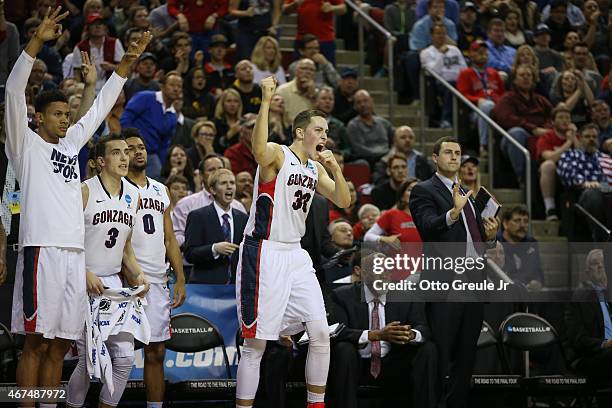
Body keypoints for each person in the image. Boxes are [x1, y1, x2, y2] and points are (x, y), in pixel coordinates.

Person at [5, 8, 150, 400]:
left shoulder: (70, 148)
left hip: (73, 256)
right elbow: (13, 90)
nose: (66, 120)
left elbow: (101, 105)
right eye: (57, 115)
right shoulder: (25, 145)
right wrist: (35, 43)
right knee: (35, 343)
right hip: (42, 251)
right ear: (38, 117)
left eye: (68, 114)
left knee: (58, 346)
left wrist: (126, 64)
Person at [235, 76, 350, 408]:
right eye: (319, 130)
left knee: (320, 332)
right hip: (264, 250)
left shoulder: (315, 167)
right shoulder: (278, 154)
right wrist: (266, 99)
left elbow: (343, 201)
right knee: (255, 345)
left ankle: (316, 404)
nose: (325, 136)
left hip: (296, 254)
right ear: (301, 132)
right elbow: (258, 149)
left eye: (327, 131)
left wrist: (335, 169)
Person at [409, 136, 499, 408]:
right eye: (447, 152)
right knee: (441, 355)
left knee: (466, 358)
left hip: (473, 283)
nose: (454, 157)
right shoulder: (423, 190)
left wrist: (490, 238)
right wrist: (452, 213)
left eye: (458, 153)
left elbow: (473, 242)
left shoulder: (467, 194)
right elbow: (427, 227)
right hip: (444, 284)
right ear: (435, 158)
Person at [65, 134, 149, 408]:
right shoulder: (84, 191)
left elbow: (125, 248)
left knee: (124, 359)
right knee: (89, 360)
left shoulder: (134, 195)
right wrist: (84, 271)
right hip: (82, 279)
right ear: (101, 161)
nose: (125, 157)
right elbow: (67, 240)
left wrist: (138, 275)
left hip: (114, 284)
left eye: (126, 152)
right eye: (117, 152)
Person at [125, 133, 188, 408]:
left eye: (141, 147)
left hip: (158, 280)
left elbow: (170, 238)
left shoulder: (160, 189)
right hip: (123, 279)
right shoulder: (116, 188)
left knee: (156, 352)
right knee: (118, 354)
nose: (138, 152)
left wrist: (180, 277)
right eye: (130, 149)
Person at [328, 252, 437, 408]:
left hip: (393, 364)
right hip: (358, 364)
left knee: (428, 349)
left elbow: (423, 328)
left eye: (387, 269)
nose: (384, 274)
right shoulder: (342, 296)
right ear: (361, 272)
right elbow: (335, 331)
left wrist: (411, 334)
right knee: (343, 349)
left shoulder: (406, 294)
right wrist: (375, 335)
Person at [492, 64, 553, 185]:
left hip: (540, 135)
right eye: (522, 75)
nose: (526, 78)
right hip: (514, 140)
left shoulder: (540, 100)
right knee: (516, 132)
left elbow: (553, 116)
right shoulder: (507, 98)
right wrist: (533, 128)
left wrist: (547, 127)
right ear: (514, 79)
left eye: (529, 75)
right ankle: (524, 179)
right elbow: (505, 118)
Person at [184, 168, 248, 284]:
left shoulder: (243, 218)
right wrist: (214, 249)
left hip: (234, 288)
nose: (229, 187)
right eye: (223, 183)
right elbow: (189, 254)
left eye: (232, 183)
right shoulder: (198, 216)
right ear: (213, 190)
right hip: (206, 289)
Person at [566, 249, 612, 407]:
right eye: (595, 264)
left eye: (603, 263)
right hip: (588, 356)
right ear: (587, 272)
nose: (600, 266)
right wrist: (605, 344)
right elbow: (578, 340)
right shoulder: (581, 297)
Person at [171, 154, 246, 248]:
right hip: (195, 260)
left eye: (220, 169)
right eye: (211, 170)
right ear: (201, 175)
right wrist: (206, 246)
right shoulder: (186, 204)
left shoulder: (238, 207)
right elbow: (176, 237)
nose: (217, 173)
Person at [120, 71, 183, 179]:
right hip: (130, 149)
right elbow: (126, 119)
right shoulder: (145, 97)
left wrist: (163, 164)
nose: (176, 89)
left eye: (179, 86)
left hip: (151, 155)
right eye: (172, 85)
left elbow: (164, 145)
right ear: (162, 86)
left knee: (155, 177)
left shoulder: (173, 116)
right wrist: (130, 142)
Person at [557, 123, 609, 241]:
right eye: (587, 136)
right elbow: (567, 175)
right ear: (580, 138)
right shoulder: (570, 155)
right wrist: (584, 183)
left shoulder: (606, 159)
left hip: (607, 195)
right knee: (593, 194)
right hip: (581, 197)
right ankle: (600, 241)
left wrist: (601, 186)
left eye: (594, 137)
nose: (591, 139)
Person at [456, 40, 505, 156]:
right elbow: (462, 95)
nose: (483, 55)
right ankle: (484, 145)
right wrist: (478, 100)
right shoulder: (465, 73)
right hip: (475, 111)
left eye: (485, 52)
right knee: (487, 105)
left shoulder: (494, 73)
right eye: (479, 52)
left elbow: (503, 94)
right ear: (471, 55)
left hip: (496, 108)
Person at [420, 22, 467, 128]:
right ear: (432, 36)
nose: (441, 36)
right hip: (440, 84)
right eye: (438, 33)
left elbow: (464, 69)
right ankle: (446, 120)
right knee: (450, 87)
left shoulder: (455, 50)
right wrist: (441, 54)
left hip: (458, 82)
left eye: (444, 33)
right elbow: (432, 72)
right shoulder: (426, 53)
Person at [536, 105, 576, 220]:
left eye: (567, 118)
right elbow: (550, 158)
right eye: (561, 117)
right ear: (553, 121)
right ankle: (550, 208)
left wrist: (574, 138)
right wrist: (568, 142)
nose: (565, 121)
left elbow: (583, 155)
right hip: (553, 173)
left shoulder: (575, 136)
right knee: (548, 165)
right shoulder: (547, 137)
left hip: (573, 172)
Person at [72, 12, 125, 94]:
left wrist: (112, 67)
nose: (98, 26)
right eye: (94, 24)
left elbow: (125, 67)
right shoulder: (80, 47)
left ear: (105, 27)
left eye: (101, 24)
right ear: (87, 28)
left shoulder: (115, 43)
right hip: (88, 87)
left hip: (111, 85)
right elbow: (77, 73)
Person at [282, 0, 346, 65]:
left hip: (325, 39)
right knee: (298, 69)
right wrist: (295, 4)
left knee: (327, 70)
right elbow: (284, 10)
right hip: (302, 40)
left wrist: (332, 7)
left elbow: (343, 9)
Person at [497, 205, 544, 289]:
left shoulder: (531, 243)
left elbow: (537, 272)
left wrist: (537, 282)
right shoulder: (495, 243)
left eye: (525, 221)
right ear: (505, 223)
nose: (522, 225)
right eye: (517, 221)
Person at [346, 90, 393, 166]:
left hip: (388, 159)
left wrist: (390, 155)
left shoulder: (384, 123)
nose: (363, 104)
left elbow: (394, 142)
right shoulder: (353, 126)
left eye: (365, 101)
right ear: (355, 106)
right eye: (359, 102)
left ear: (372, 101)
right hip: (370, 162)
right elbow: (360, 151)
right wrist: (383, 155)